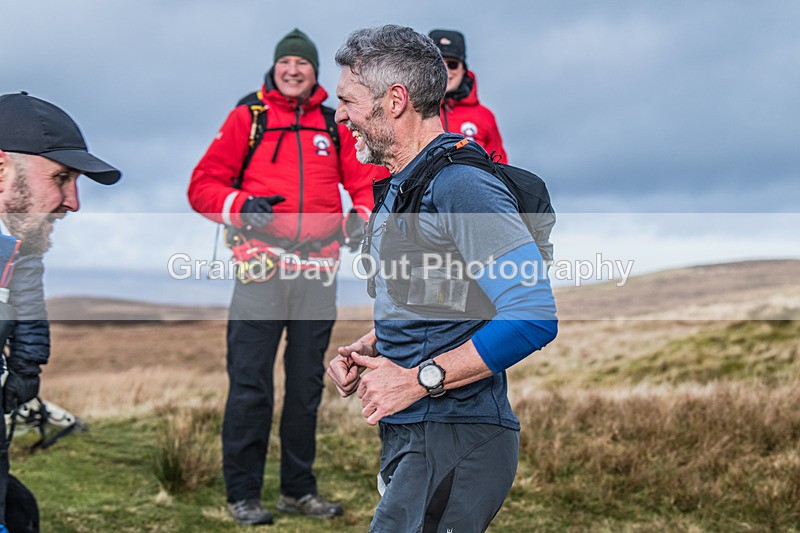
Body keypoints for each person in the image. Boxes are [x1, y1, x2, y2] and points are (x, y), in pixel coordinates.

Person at [327, 25, 558, 532]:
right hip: (415, 436)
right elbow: (441, 295)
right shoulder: (401, 186)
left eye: (348, 100)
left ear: (395, 100)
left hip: (457, 437)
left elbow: (532, 316)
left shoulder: (461, 184)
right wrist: (375, 345)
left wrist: (416, 379)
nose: (340, 114)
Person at [188, 28, 385, 526]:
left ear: (316, 72)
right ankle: (243, 494)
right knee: (251, 387)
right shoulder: (248, 116)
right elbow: (202, 185)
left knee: (304, 387)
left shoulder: (331, 120)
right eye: (286, 63)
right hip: (260, 270)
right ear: (275, 69)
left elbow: (362, 178)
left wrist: (360, 213)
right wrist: (242, 206)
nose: (293, 70)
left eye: (303, 63)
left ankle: (298, 491)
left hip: (317, 272)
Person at [0, 91, 122, 533]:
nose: (74, 202)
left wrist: (28, 361)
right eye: (61, 177)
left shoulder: (18, 244)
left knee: (17, 512)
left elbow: (27, 293)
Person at [429, 29, 509, 163]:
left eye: (453, 64)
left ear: (464, 69)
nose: (446, 71)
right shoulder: (410, 112)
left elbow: (501, 169)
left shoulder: (484, 117)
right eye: (439, 64)